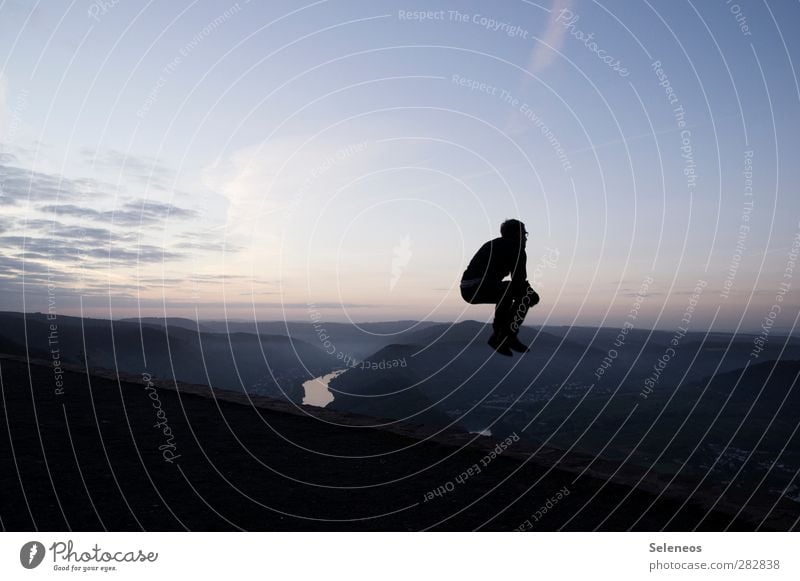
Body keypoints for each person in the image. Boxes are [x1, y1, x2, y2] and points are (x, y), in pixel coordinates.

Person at [460, 219, 540, 356]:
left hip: (467, 288)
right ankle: (503, 336)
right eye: (524, 234)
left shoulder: (495, 244)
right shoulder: (516, 248)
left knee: (512, 292)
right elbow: (519, 280)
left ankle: (504, 336)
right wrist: (531, 295)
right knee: (520, 293)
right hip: (476, 285)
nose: (525, 238)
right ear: (517, 234)